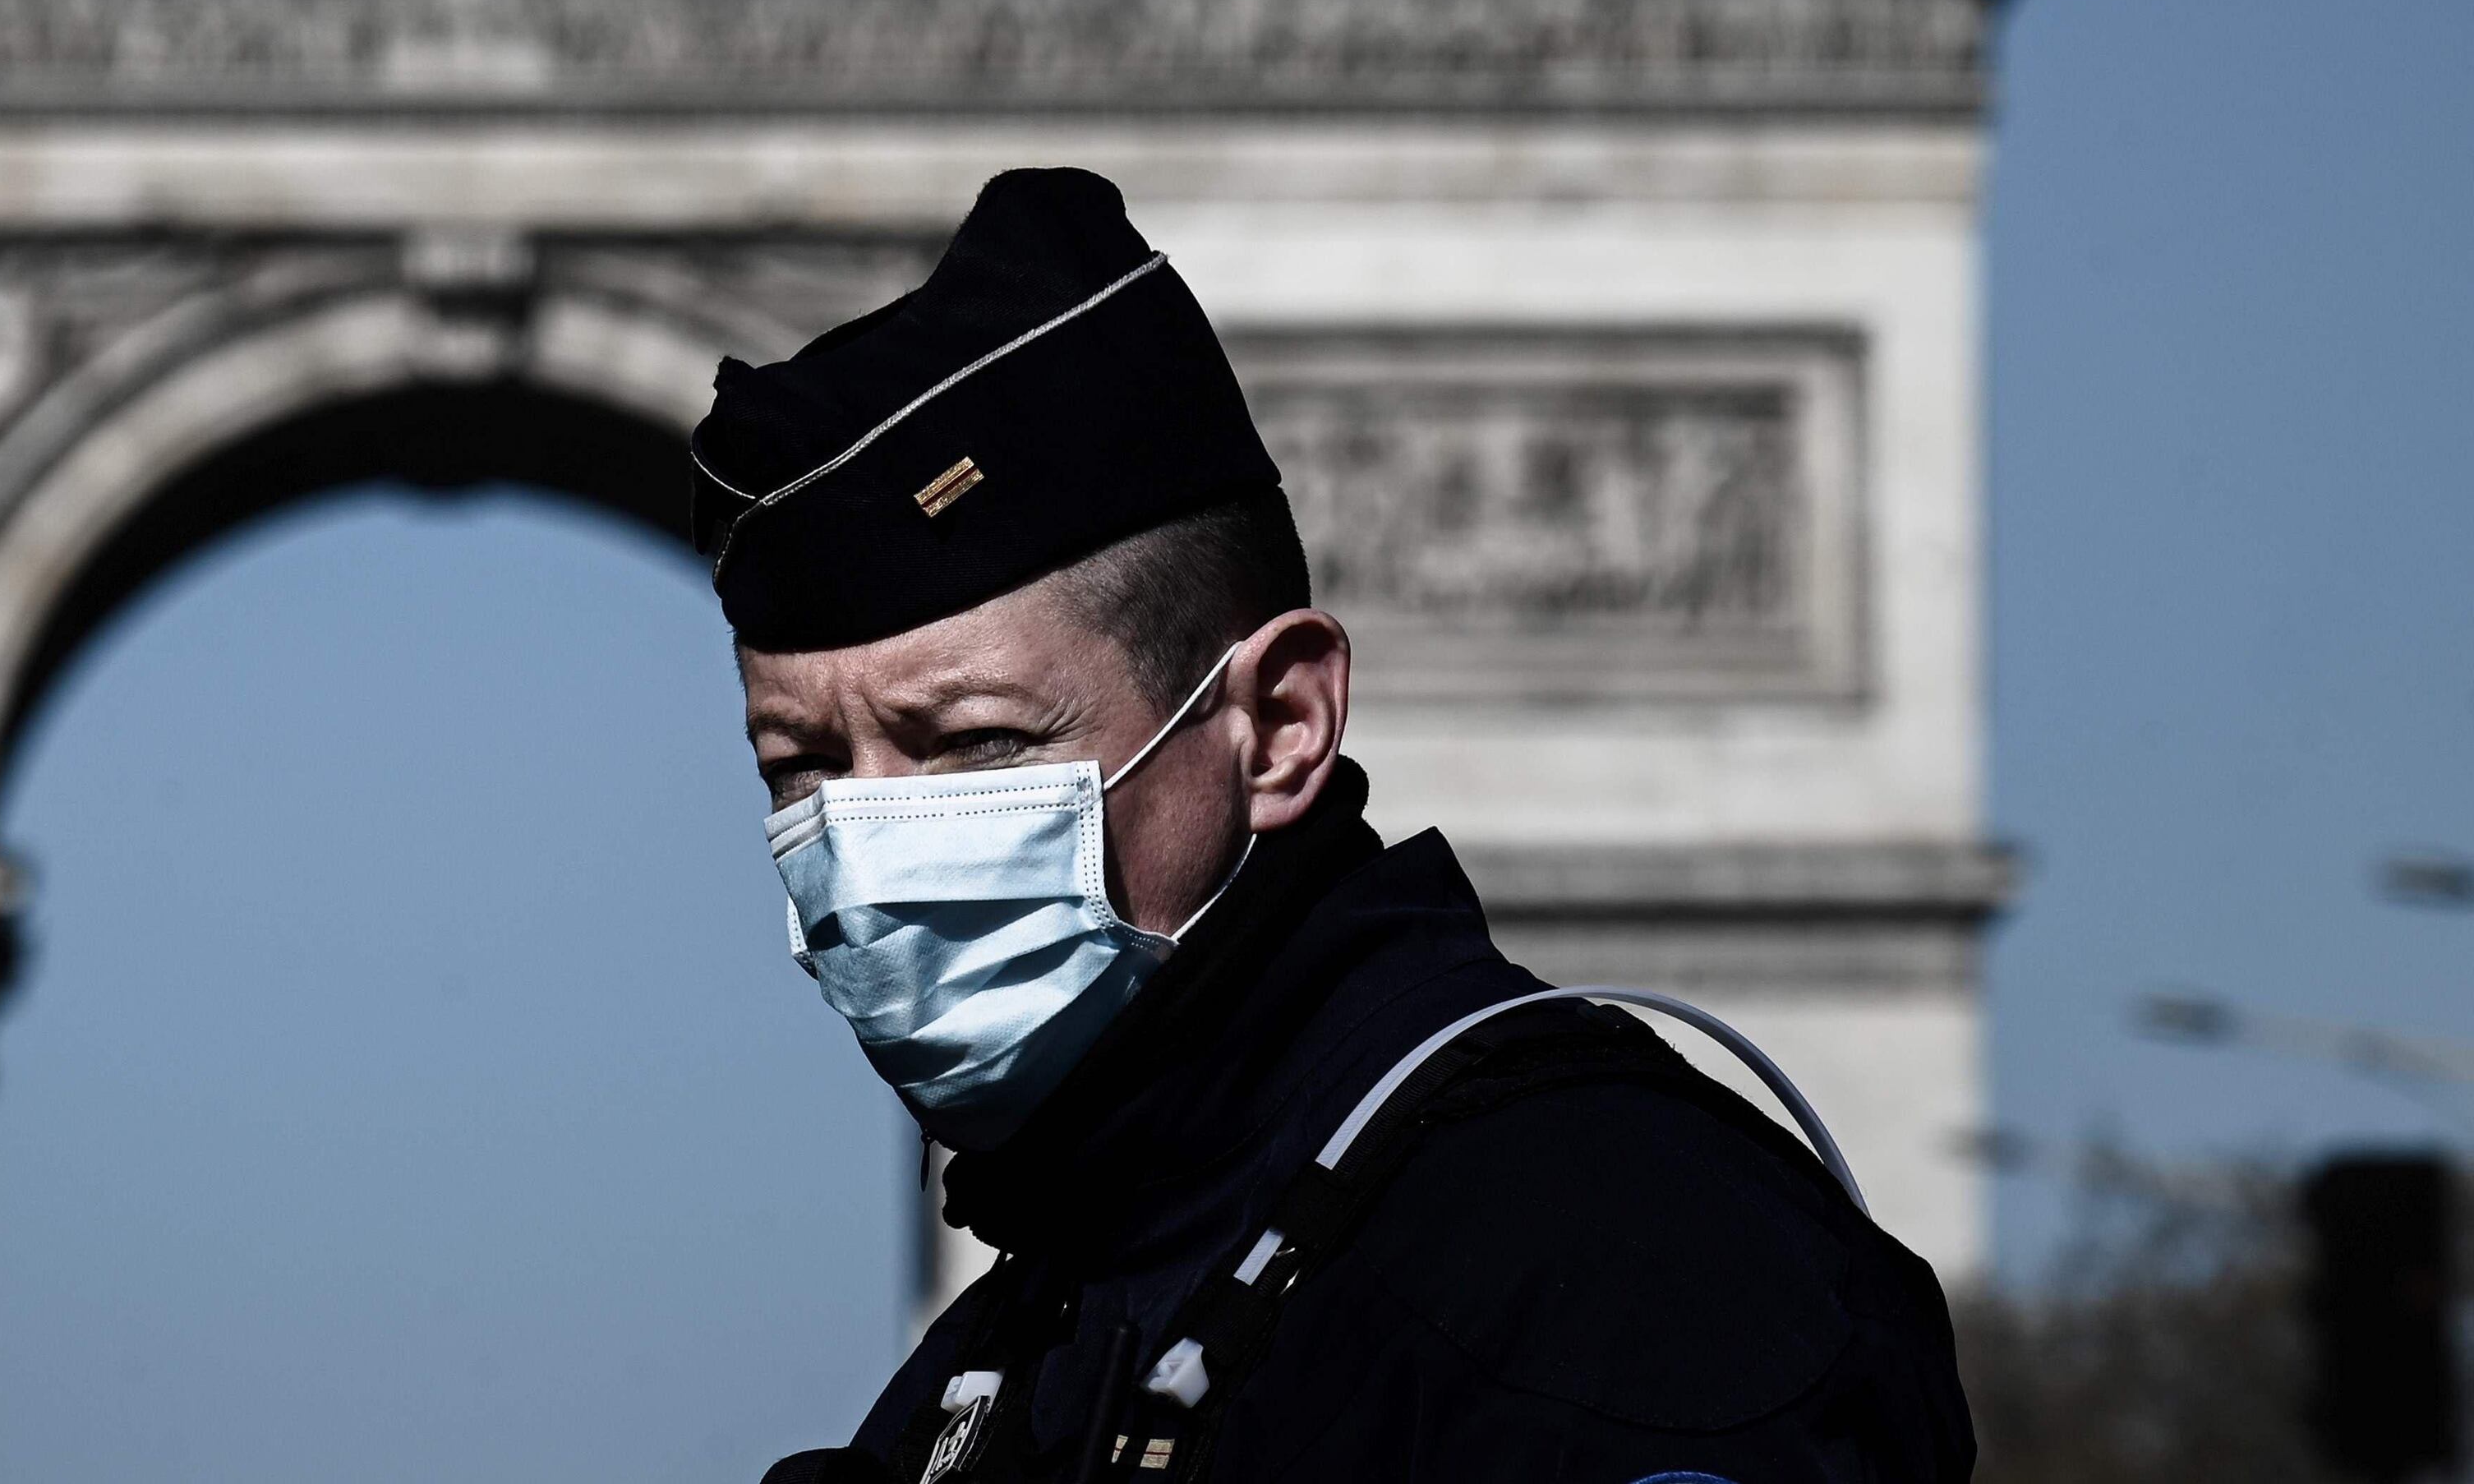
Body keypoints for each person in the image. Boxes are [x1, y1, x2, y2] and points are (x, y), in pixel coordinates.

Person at [697, 168, 1973, 1484]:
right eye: (803, 766)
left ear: (1281, 722)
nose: (869, 842)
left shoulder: (1628, 1274)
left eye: (976, 742)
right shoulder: (1013, 1341)